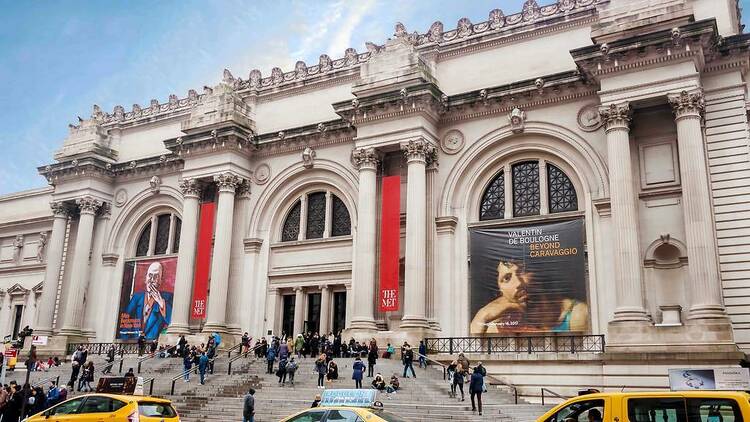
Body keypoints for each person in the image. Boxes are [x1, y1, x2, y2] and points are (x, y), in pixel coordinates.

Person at [470, 259, 589, 334]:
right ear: (500, 291)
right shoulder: (499, 326)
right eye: (506, 278)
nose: (518, 283)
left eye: (523, 270)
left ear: (536, 272)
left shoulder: (576, 314)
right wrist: (481, 317)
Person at [125, 261, 174, 340]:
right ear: (146, 278)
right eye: (150, 275)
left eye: (156, 276)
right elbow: (125, 320)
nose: (151, 280)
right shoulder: (137, 297)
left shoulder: (168, 297)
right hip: (133, 345)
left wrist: (162, 304)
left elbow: (173, 322)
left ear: (161, 280)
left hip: (152, 344)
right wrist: (127, 340)